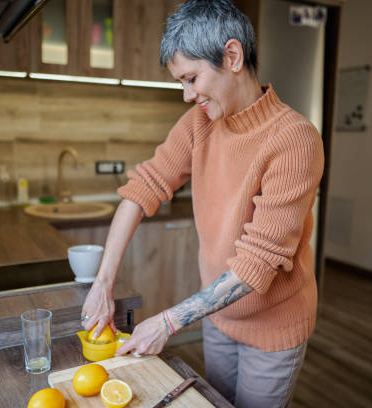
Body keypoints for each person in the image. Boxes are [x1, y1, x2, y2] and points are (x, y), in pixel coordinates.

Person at [80, 0, 324, 406]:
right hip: (217, 316)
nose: (187, 95)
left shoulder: (295, 140)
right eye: (181, 82)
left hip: (272, 327)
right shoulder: (199, 125)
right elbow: (141, 191)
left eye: (191, 78)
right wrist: (102, 283)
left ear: (231, 56)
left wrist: (169, 321)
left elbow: (255, 265)